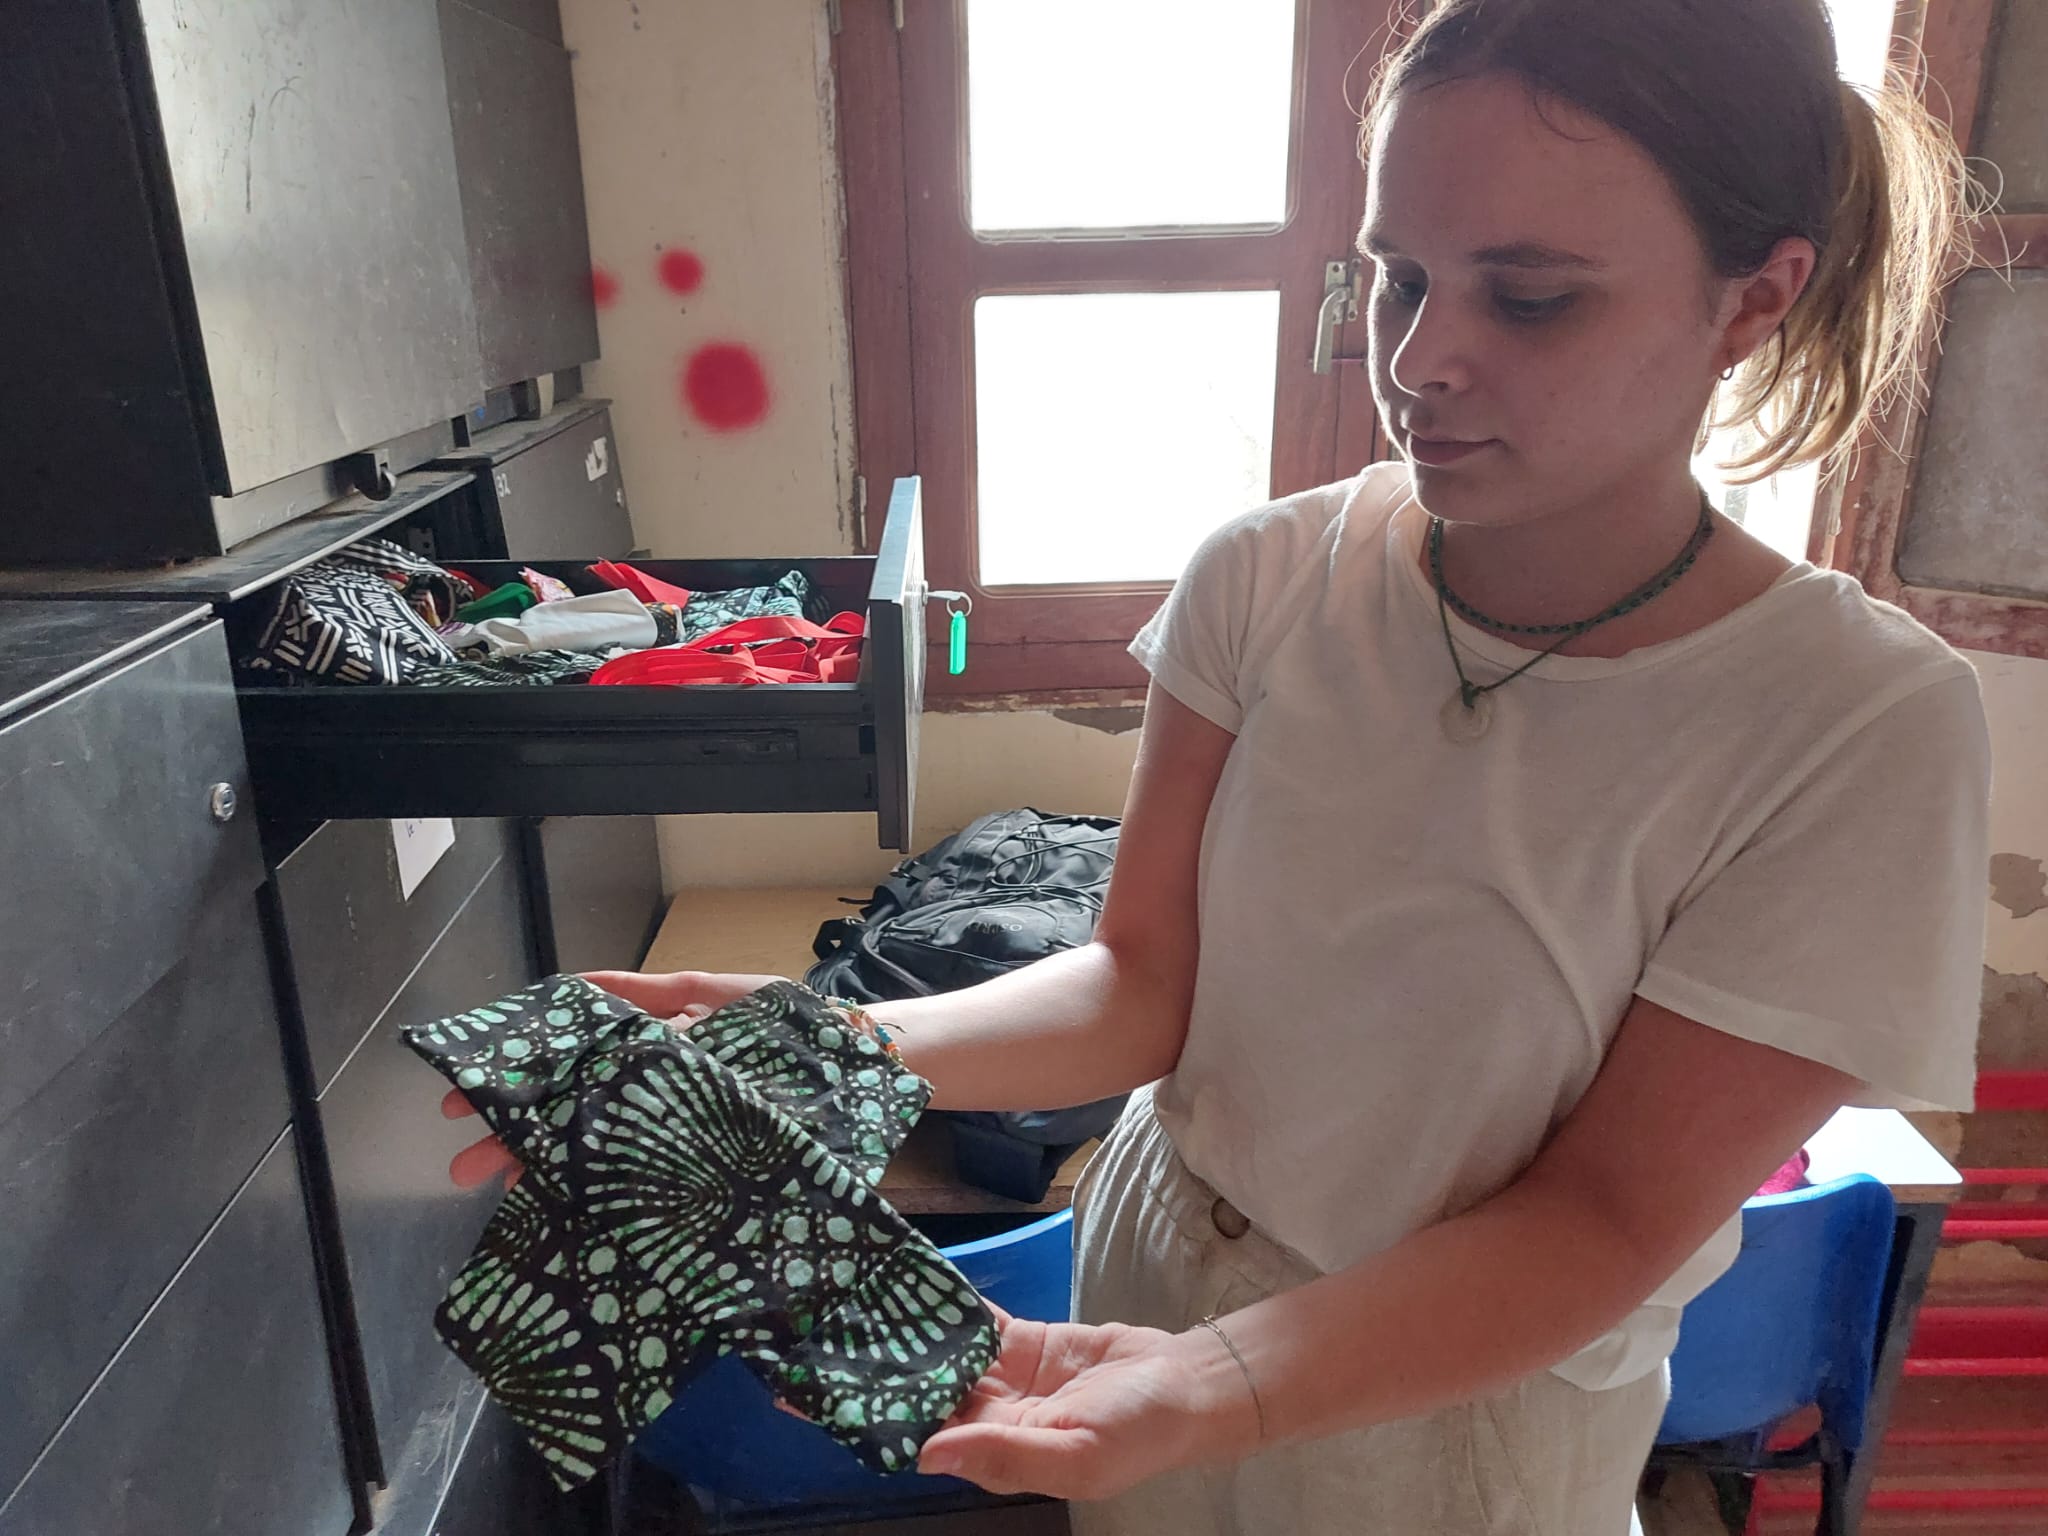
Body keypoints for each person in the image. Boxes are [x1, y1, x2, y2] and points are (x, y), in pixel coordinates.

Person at [448, 0, 1992, 1528]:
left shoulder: (1852, 726)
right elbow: (1142, 984)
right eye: (1397, 279)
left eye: (1530, 300)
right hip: (1153, 1274)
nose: (1421, 358)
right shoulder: (1270, 575)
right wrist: (846, 1045)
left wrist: (1219, 1384)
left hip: (1452, 1409)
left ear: (1752, 300)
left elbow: (1600, 1220)